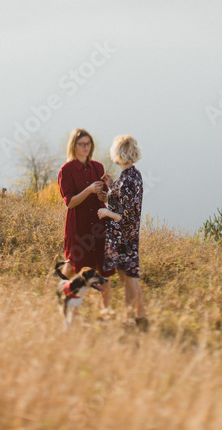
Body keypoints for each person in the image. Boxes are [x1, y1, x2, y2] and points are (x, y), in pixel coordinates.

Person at [57, 128, 112, 312]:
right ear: (73, 146)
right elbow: (70, 203)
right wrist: (88, 190)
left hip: (98, 224)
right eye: (81, 144)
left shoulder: (98, 167)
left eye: (88, 144)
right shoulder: (66, 170)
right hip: (78, 224)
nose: (85, 147)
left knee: (104, 267)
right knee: (74, 264)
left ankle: (105, 310)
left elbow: (103, 199)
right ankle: (63, 298)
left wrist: (105, 193)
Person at [97, 135, 146, 329]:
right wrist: (109, 192)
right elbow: (125, 201)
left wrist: (107, 211)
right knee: (129, 274)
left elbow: (127, 217)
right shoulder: (133, 175)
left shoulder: (126, 180)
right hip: (129, 236)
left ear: (118, 153)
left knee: (129, 276)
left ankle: (129, 318)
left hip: (122, 237)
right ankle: (140, 314)